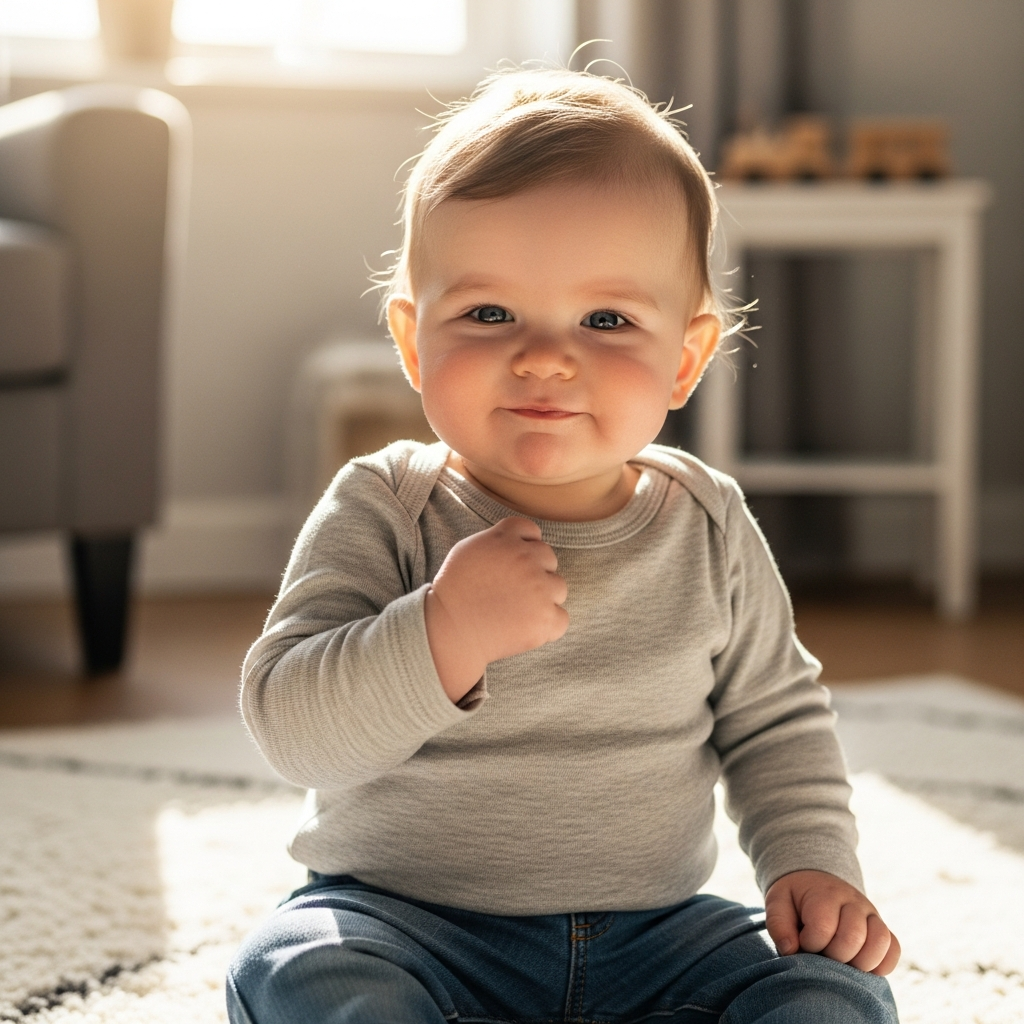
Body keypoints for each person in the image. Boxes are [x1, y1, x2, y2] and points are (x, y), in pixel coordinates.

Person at [228, 66, 900, 1024]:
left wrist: (813, 864)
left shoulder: (706, 523)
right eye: (491, 314)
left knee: (835, 993)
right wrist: (441, 635)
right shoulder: (387, 506)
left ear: (685, 359)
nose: (546, 356)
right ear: (415, 345)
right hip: (409, 925)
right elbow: (291, 729)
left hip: (660, 938)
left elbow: (777, 723)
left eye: (607, 319)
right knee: (301, 969)